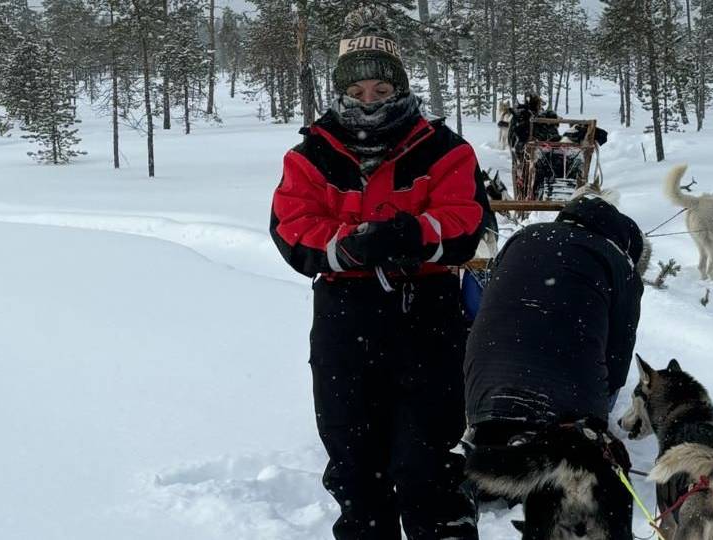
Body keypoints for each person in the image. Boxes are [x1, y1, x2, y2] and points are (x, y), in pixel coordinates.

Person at [269, 8, 487, 540]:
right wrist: (349, 245)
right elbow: (291, 226)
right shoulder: (311, 154)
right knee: (354, 466)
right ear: (341, 90)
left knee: (427, 462)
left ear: (400, 87)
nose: (370, 99)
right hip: (346, 317)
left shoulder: (444, 148)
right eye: (358, 89)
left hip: (427, 312)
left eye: (382, 87)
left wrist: (411, 233)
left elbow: (467, 219)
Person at [461, 189, 647, 538]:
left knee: (502, 421)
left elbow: (493, 301)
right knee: (579, 435)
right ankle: (561, 451)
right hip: (565, 396)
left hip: (483, 379)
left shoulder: (523, 237)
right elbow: (618, 357)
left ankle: (489, 460)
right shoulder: (618, 263)